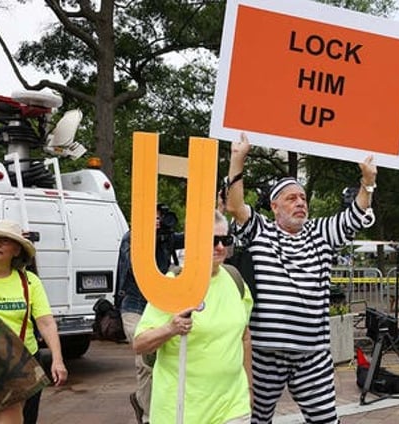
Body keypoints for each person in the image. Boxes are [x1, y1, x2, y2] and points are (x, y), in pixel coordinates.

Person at [226, 133, 376, 424]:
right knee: (254, 419)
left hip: (312, 354)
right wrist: (237, 158)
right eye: (291, 198)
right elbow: (234, 206)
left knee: (325, 420)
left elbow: (356, 214)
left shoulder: (319, 233)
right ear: (275, 206)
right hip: (264, 354)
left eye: (303, 198)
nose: (300, 203)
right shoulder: (261, 232)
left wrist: (367, 181)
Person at [133, 210, 253, 423]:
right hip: (181, 410)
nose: (220, 247)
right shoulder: (173, 284)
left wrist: (250, 389)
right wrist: (171, 328)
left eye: (225, 239)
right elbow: (140, 344)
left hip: (232, 406)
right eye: (212, 240)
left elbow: (244, 336)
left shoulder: (235, 280)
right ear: (194, 242)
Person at [0, 219, 68, 424]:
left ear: (16, 250)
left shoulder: (29, 281)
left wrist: (57, 360)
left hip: (22, 367)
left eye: (5, 241)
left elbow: (46, 323)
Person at [116, 204, 185, 424]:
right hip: (134, 306)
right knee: (145, 357)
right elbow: (136, 267)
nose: (158, 222)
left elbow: (193, 237)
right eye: (153, 218)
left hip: (158, 305)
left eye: (160, 218)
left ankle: (145, 401)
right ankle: (148, 417)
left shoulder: (166, 238)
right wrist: (148, 235)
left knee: (161, 360)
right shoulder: (131, 238)